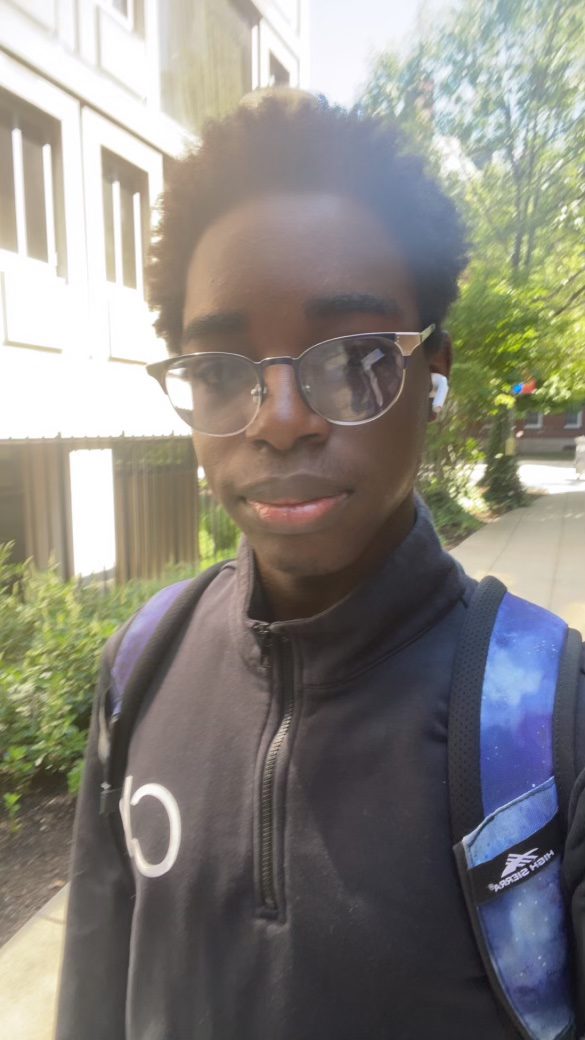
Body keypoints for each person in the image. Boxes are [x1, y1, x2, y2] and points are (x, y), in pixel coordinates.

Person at [56, 90, 585, 1040]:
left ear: (433, 377)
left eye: (356, 361)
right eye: (220, 371)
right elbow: (93, 995)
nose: (281, 419)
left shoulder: (552, 723)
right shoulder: (141, 666)